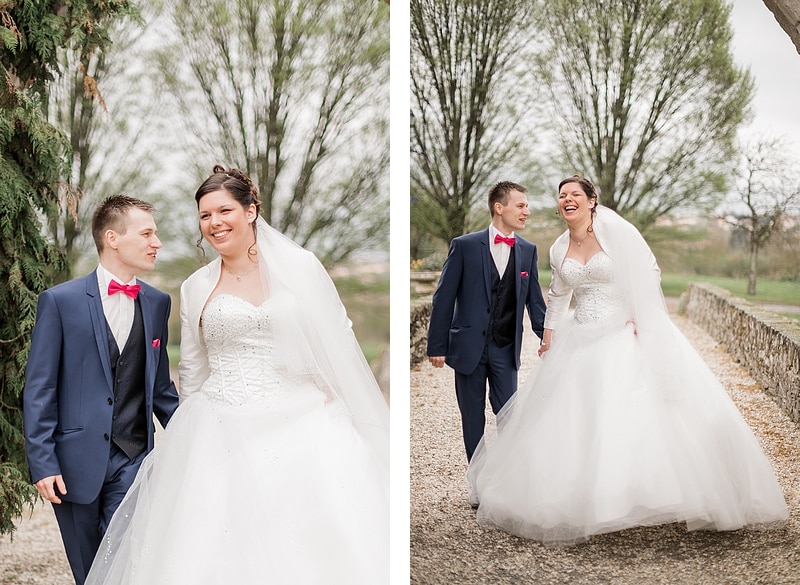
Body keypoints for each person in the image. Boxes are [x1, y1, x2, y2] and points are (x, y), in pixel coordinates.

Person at [84, 166, 389, 584]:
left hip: (303, 419)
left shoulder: (301, 267)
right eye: (205, 216)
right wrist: (189, 441)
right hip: (221, 427)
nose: (214, 223)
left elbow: (337, 336)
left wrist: (336, 393)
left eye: (224, 210)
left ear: (251, 210)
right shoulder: (195, 286)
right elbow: (192, 368)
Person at [467, 175, 789, 544]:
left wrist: (641, 313)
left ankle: (643, 491)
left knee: (633, 410)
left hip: (623, 329)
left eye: (575, 194)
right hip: (581, 334)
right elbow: (558, 295)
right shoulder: (558, 248)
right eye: (561, 196)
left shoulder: (614, 231)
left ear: (591, 201)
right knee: (577, 414)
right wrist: (550, 336)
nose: (567, 200)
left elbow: (648, 270)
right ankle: (587, 492)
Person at [23, 195, 180, 585]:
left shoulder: (158, 303)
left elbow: (161, 390)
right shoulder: (61, 302)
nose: (156, 243)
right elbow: (40, 387)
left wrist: (197, 432)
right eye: (147, 233)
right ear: (112, 238)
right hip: (74, 463)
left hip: (134, 459)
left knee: (126, 564)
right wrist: (43, 463)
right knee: (88, 569)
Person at [427, 181, 547, 463]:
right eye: (520, 205)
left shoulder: (528, 251)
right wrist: (436, 345)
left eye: (526, 206)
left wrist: (549, 338)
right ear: (499, 207)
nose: (526, 211)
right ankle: (477, 480)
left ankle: (505, 481)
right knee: (472, 416)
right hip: (468, 347)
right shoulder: (464, 246)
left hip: (506, 348)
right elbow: (443, 298)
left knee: (508, 415)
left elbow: (535, 303)